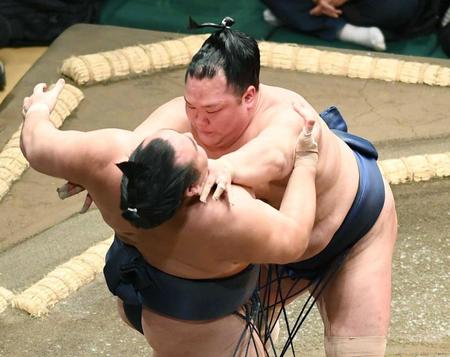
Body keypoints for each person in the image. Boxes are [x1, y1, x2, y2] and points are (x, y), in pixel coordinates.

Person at [125, 18, 397, 356]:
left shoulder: (287, 114)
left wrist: (227, 165)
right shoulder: (191, 116)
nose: (198, 121)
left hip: (352, 233)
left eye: (212, 109)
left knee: (355, 352)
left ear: (250, 96)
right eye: (190, 106)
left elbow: (277, 157)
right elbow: (134, 145)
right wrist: (115, 173)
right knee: (229, 341)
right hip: (274, 250)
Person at [20, 78, 321, 356]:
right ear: (193, 188)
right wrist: (307, 160)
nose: (191, 133)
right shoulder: (225, 211)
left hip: (131, 293)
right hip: (195, 325)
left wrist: (38, 109)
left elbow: (35, 145)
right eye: (194, 146)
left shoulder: (105, 156)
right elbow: (294, 240)